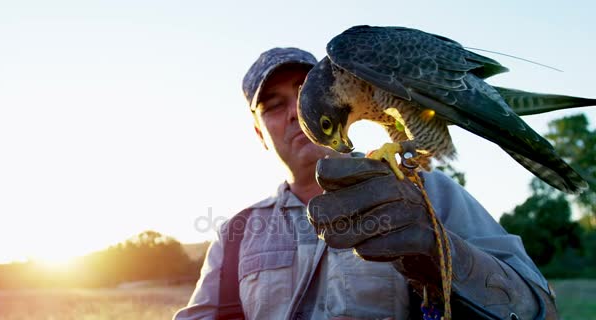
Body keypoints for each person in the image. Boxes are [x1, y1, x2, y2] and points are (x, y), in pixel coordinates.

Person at [173, 47, 558, 319]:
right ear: (259, 134)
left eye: (305, 93)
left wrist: (443, 255)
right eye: (274, 105)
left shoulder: (424, 191)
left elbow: (539, 309)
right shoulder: (237, 234)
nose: (294, 113)